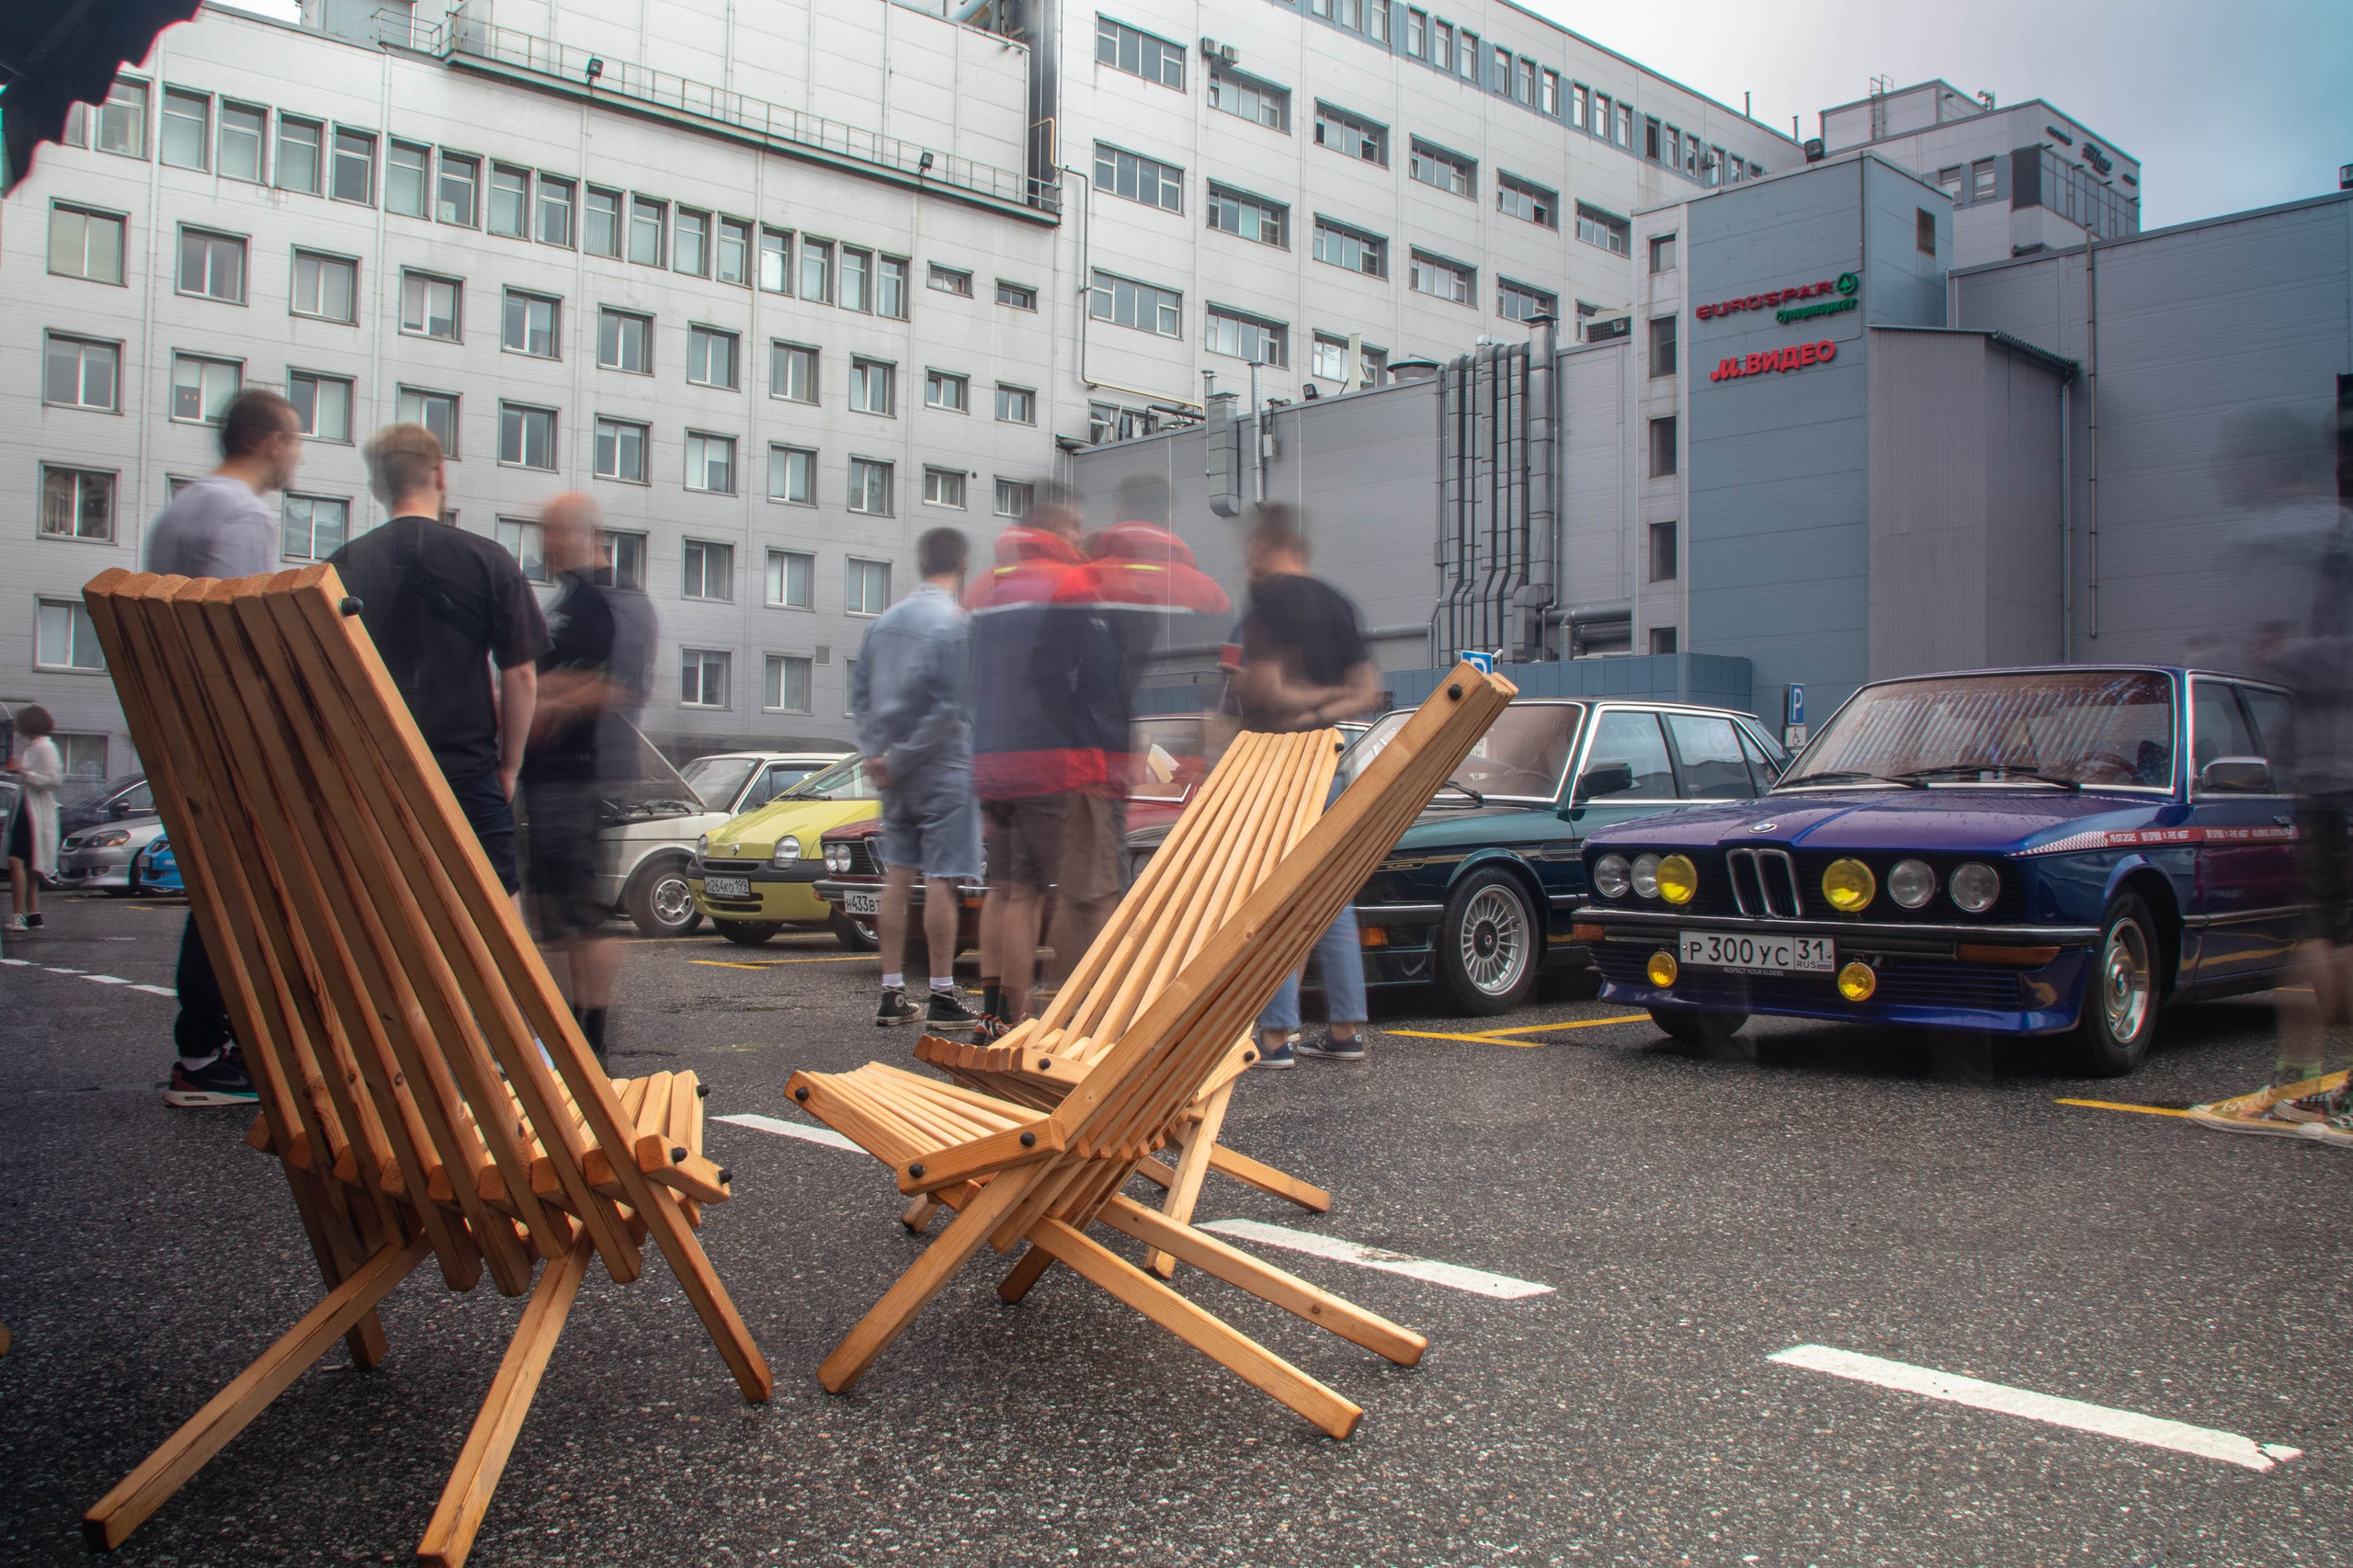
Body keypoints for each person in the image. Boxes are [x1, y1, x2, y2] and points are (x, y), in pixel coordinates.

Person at [144, 387, 305, 1106]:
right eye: (295, 440)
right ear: (269, 442)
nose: (296, 454)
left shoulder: (177, 512)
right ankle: (211, 1052)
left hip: (179, 726)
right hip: (229, 732)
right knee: (242, 892)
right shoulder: (243, 515)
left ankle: (214, 1045)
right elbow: (244, 639)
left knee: (219, 889)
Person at [327, 425, 547, 903]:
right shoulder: (488, 559)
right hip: (463, 774)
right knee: (495, 916)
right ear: (440, 474)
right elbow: (521, 674)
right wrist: (508, 767)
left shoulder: (341, 566)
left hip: (372, 772)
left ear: (378, 486)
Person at [1230, 505, 1383, 1069]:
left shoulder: (1270, 600)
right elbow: (1366, 689)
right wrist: (1327, 705)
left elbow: (1268, 690)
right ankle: (1345, 1030)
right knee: (1330, 895)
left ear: (1265, 545)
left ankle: (1275, 1036)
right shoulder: (1339, 602)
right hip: (1329, 756)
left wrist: (1298, 703)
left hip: (1279, 759)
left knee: (1274, 895)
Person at [521, 494, 654, 1061]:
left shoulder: (616, 599)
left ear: (582, 534)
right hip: (548, 775)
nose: (545, 545)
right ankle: (570, 1027)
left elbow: (622, 684)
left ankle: (590, 1032)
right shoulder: (567, 599)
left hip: (590, 772)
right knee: (552, 913)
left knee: (582, 911)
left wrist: (549, 701)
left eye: (552, 533)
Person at [851, 527, 982, 1029]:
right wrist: (902, 756)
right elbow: (951, 709)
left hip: (891, 773)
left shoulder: (881, 625)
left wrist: (877, 755)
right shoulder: (956, 624)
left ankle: (890, 992)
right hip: (942, 767)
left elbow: (860, 695)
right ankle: (943, 994)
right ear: (962, 564)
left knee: (898, 878)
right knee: (942, 881)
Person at [4, 706, 63, 935]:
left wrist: (23, 772)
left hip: (33, 810)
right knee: (28, 864)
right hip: (28, 808)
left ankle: (19, 917)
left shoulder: (45, 748)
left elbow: (54, 781)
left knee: (16, 860)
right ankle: (34, 915)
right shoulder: (38, 747)